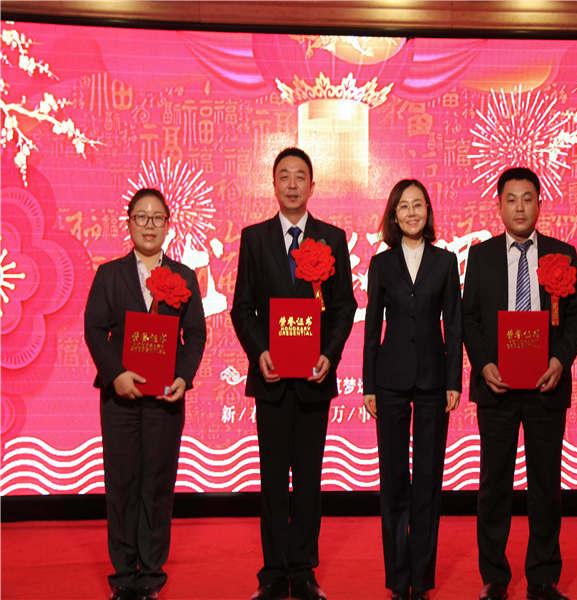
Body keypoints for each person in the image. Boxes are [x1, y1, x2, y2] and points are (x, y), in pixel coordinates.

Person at [231, 147, 357, 600]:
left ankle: (302, 571)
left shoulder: (332, 238)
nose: (291, 184)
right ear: (273, 184)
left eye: (299, 176)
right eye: (283, 175)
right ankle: (272, 573)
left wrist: (329, 356)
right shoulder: (255, 238)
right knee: (271, 480)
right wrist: (260, 352)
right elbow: (242, 307)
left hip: (313, 380)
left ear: (312, 185)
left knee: (307, 478)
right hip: (270, 380)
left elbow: (344, 307)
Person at [462, 167, 577, 600]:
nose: (520, 208)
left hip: (545, 386)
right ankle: (494, 577)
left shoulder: (562, 254)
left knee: (546, 485)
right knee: (493, 484)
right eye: (511, 199)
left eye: (528, 198)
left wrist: (559, 360)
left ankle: (543, 578)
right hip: (496, 387)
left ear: (539, 204)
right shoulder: (481, 256)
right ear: (498, 206)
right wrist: (483, 364)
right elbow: (470, 318)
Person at [84, 188, 207, 600]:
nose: (149, 225)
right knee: (121, 483)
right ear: (129, 223)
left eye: (157, 218)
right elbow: (93, 329)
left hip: (165, 400)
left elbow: (195, 334)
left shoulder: (184, 276)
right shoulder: (110, 275)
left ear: (168, 225)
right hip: (120, 399)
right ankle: (123, 576)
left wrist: (184, 377)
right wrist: (116, 374)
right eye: (141, 217)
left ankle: (152, 574)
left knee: (157, 483)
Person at [362, 179, 463, 600]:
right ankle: (397, 578)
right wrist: (368, 384)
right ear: (393, 215)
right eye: (403, 206)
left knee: (428, 479)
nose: (411, 213)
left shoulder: (446, 261)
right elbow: (372, 328)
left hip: (433, 382)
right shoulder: (381, 264)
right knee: (394, 481)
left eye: (418, 205)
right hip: (389, 382)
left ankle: (420, 579)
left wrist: (454, 381)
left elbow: (453, 325)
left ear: (428, 211)